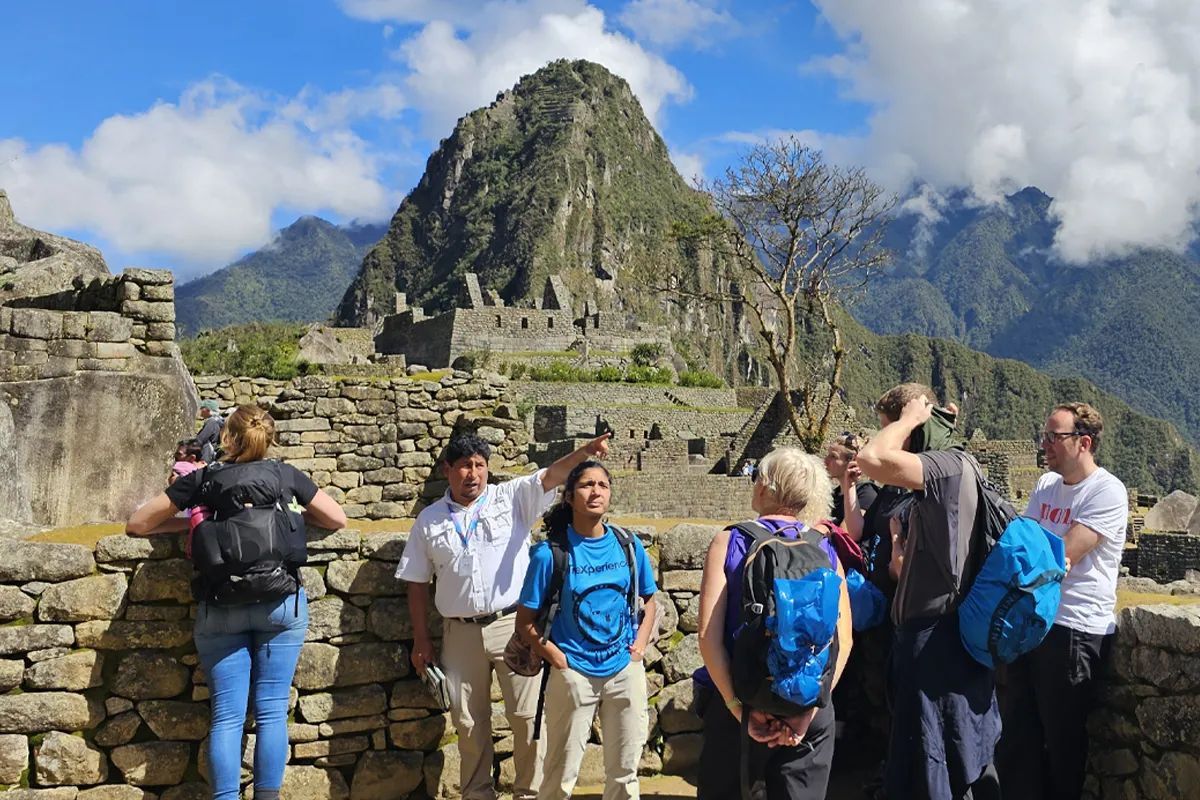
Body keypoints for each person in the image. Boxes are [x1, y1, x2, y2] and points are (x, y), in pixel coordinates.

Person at [126, 404, 347, 800]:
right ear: (270, 438)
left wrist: (196, 520)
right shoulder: (284, 475)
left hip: (221, 606)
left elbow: (138, 524)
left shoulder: (204, 477)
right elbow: (336, 519)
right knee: (272, 711)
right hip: (281, 605)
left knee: (227, 717)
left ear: (225, 438)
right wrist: (289, 516)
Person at [396, 431, 612, 800]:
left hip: (514, 627)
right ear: (449, 470)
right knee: (468, 722)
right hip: (460, 633)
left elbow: (550, 477)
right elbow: (416, 583)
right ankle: (477, 793)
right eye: (465, 466)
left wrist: (584, 453)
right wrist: (421, 639)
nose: (473, 474)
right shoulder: (429, 520)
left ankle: (530, 794)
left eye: (480, 465)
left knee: (528, 718)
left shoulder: (510, 498)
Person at [855, 383, 1001, 800]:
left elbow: (871, 458)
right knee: (938, 757)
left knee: (937, 763)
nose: (894, 437)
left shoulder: (947, 468)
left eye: (896, 430)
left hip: (938, 642)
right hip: (934, 637)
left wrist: (907, 419)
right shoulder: (948, 473)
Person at [694, 447, 854, 800]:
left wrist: (739, 709)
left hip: (739, 697)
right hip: (807, 706)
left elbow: (708, 636)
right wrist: (809, 710)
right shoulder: (825, 548)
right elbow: (843, 641)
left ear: (765, 486)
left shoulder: (731, 540)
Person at [996, 403, 1128, 800]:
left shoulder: (1107, 491)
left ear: (1083, 443)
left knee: (1062, 744)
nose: (1045, 444)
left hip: (1073, 629)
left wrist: (1025, 559)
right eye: (1045, 435)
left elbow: (1060, 558)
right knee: (1019, 736)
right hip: (1032, 624)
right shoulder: (1045, 486)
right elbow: (1023, 546)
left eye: (1055, 437)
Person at [515, 462, 658, 800]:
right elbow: (524, 622)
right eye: (586, 485)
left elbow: (649, 600)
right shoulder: (550, 554)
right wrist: (558, 659)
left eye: (602, 485)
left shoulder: (628, 545)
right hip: (574, 672)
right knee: (561, 775)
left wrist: (637, 649)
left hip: (623, 668)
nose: (596, 492)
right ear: (568, 496)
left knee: (625, 773)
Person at [823, 432, 878, 542]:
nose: (825, 461)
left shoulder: (866, 493)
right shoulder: (834, 494)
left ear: (853, 462)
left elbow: (845, 535)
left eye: (833, 457)